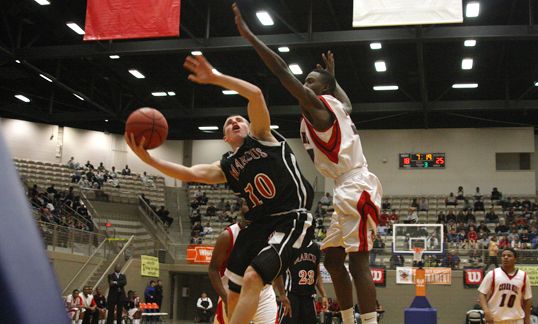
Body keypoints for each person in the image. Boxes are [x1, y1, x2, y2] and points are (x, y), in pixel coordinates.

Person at [126, 54, 314, 324]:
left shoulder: (262, 137)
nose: (235, 122)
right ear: (225, 138)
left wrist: (214, 77)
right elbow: (190, 173)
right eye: (229, 123)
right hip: (259, 225)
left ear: (249, 127)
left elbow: (256, 95)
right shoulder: (227, 166)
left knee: (252, 277)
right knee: (234, 291)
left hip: (291, 215)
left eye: (239, 119)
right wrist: (148, 160)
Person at [232, 5, 382, 323]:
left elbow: (281, 71)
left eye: (311, 81)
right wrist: (333, 78)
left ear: (322, 91)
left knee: (359, 262)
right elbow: (349, 102)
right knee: (331, 258)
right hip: (346, 186)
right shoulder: (337, 105)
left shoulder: (321, 109)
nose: (305, 83)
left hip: (356, 184)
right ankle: (346, 317)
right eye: (306, 80)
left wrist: (250, 36)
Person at [208, 213, 278, 324]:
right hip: (231, 291)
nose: (251, 207)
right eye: (247, 203)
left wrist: (280, 293)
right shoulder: (228, 235)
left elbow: (277, 264)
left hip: (263, 292)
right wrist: (225, 298)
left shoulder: (272, 233)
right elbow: (213, 269)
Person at [277, 240, 328, 324]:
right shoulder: (290, 245)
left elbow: (317, 274)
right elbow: (279, 271)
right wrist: (281, 294)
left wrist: (324, 295)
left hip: (309, 297)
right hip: (291, 296)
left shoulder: (316, 248)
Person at [478, 247, 533, 324]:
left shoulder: (523, 276)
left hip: (516, 319)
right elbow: (482, 294)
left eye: (509, 255)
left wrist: (527, 319)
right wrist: (486, 311)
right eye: (503, 255)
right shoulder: (492, 274)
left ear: (515, 259)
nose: (505, 257)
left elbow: (527, 299)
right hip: (495, 319)